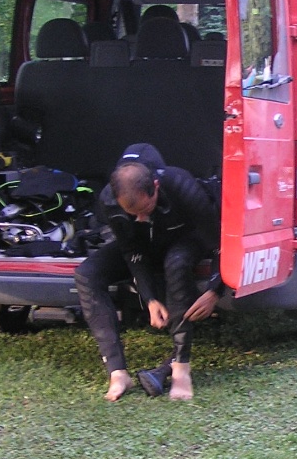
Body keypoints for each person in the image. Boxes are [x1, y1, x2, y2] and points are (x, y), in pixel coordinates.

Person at [74, 144, 224, 401]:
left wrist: (214, 291)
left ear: (155, 186)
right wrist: (150, 298)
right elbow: (131, 251)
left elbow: (220, 243)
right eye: (132, 215)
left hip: (186, 239)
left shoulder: (182, 186)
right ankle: (118, 372)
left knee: (176, 262)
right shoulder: (110, 200)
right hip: (146, 246)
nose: (140, 219)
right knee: (86, 274)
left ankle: (180, 368)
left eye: (146, 210)